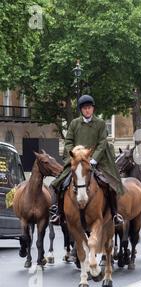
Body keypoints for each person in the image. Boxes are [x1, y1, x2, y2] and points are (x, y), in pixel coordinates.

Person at [49, 95, 124, 225]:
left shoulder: (100, 123)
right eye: (84, 108)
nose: (87, 110)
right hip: (78, 161)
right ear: (81, 110)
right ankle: (59, 213)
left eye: (89, 108)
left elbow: (102, 142)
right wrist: (74, 154)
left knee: (110, 184)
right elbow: (68, 142)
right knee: (60, 183)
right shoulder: (74, 123)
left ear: (93, 109)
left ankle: (114, 214)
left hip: (98, 161)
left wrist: (94, 159)